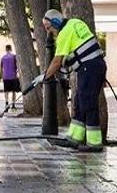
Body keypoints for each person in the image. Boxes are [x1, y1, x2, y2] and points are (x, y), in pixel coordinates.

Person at [39, 9, 107, 152]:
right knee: (79, 102)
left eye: (48, 28)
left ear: (56, 22)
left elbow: (57, 62)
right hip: (95, 66)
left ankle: (94, 143)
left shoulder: (63, 34)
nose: (49, 32)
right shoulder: (76, 23)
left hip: (89, 68)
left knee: (88, 102)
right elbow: (79, 46)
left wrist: (45, 77)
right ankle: (74, 138)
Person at [0, 45, 20, 109]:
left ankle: (6, 103)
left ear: (6, 49)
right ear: (11, 49)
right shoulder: (14, 57)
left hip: (5, 77)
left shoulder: (3, 57)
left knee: (6, 91)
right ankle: (13, 104)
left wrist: (2, 75)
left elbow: (1, 67)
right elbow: (17, 66)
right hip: (13, 76)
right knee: (13, 91)